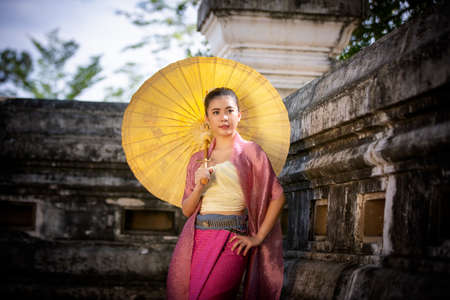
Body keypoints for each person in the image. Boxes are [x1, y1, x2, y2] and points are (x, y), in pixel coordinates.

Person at [166, 87, 285, 300]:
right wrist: (200, 186)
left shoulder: (251, 152)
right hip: (196, 240)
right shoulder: (197, 159)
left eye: (229, 110)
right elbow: (187, 210)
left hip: (232, 240)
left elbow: (278, 196)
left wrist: (257, 237)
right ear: (207, 119)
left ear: (239, 115)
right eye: (216, 112)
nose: (224, 117)